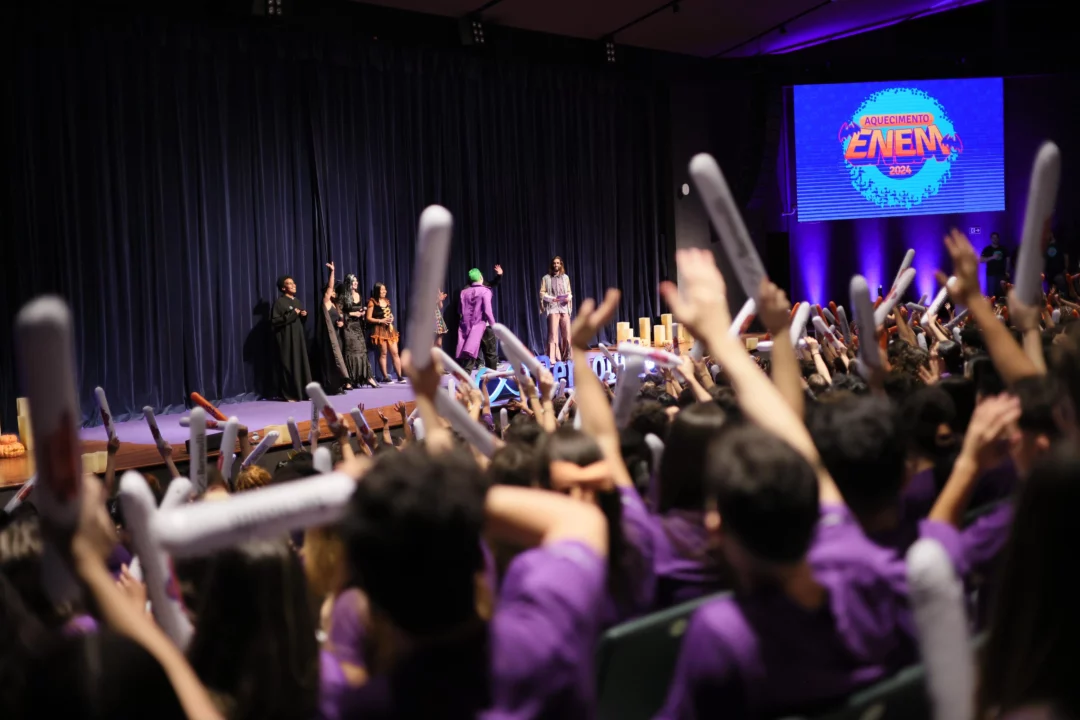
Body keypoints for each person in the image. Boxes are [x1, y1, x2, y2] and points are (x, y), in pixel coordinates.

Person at [271, 275, 313, 402]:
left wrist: (303, 315)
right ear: (283, 288)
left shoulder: (297, 301)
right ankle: (290, 394)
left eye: (294, 283)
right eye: (289, 283)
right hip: (286, 339)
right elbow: (275, 321)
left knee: (301, 364)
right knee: (289, 365)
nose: (294, 285)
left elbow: (299, 321)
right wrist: (293, 314)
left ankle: (305, 393)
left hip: (298, 338)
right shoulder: (280, 303)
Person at [314, 263, 351, 394]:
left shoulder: (335, 305)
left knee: (339, 360)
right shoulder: (326, 301)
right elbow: (330, 286)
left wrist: (341, 323)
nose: (334, 292)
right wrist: (332, 272)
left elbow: (340, 318)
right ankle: (332, 386)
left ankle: (339, 384)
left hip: (337, 336)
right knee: (331, 361)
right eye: (332, 291)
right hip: (329, 339)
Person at [340, 273, 378, 388]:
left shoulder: (359, 295)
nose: (356, 283)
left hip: (358, 326)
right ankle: (349, 380)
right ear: (348, 283)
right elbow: (339, 312)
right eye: (353, 281)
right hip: (348, 327)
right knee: (351, 352)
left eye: (356, 281)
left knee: (362, 351)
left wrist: (362, 313)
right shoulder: (343, 296)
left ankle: (368, 377)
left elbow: (360, 309)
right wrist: (352, 313)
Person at [458, 268, 498, 372]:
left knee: (469, 356)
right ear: (481, 277)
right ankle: (491, 382)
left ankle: (464, 384)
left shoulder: (463, 292)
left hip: (468, 328)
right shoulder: (485, 291)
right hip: (483, 326)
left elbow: (460, 310)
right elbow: (488, 311)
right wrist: (495, 327)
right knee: (490, 354)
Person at [366, 282, 405, 384]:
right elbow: (368, 318)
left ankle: (400, 376)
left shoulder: (386, 301)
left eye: (385, 289)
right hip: (380, 330)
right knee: (383, 353)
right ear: (377, 291)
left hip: (390, 329)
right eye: (382, 290)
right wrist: (381, 321)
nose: (385, 291)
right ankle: (385, 376)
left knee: (395, 353)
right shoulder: (372, 302)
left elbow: (389, 313)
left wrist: (392, 317)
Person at [539, 256, 573, 361]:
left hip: (564, 308)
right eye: (554, 263)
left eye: (558, 263)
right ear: (552, 265)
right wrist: (551, 299)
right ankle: (553, 359)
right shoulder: (546, 278)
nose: (556, 265)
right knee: (553, 334)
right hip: (553, 308)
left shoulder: (565, 277)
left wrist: (568, 298)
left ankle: (567, 357)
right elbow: (542, 293)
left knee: (566, 333)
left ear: (561, 264)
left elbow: (569, 292)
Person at [980, 232, 1010, 297]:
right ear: (991, 239)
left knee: (1002, 294)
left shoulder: (1003, 249)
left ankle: (1001, 307)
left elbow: (1008, 260)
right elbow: (981, 260)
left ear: (998, 238)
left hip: (1001, 274)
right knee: (991, 295)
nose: (995, 239)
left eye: (996, 237)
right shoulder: (987, 249)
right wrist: (992, 257)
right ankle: (992, 307)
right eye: (993, 238)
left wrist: (1007, 271)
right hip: (991, 275)